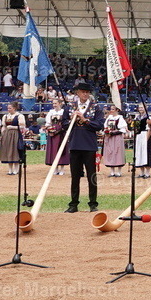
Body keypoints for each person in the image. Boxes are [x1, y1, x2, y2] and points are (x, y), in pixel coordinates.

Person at [65, 82, 104, 213]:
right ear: (78, 93)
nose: (85, 94)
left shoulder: (96, 108)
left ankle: (93, 204)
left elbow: (99, 125)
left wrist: (85, 119)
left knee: (91, 176)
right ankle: (73, 204)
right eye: (83, 92)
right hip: (75, 145)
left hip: (89, 145)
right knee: (75, 176)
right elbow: (63, 124)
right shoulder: (70, 107)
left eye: (87, 92)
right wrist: (71, 119)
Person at [44, 98, 70, 175]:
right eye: (53, 103)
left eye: (55, 103)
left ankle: (62, 169)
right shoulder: (51, 112)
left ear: (60, 104)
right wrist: (49, 129)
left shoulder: (63, 112)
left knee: (62, 150)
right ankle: (55, 168)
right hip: (53, 133)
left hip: (61, 132)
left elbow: (66, 122)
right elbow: (48, 123)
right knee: (53, 150)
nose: (54, 105)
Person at [0, 102, 24, 176]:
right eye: (8, 108)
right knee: (8, 150)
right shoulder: (5, 116)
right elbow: (3, 126)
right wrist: (2, 132)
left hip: (16, 134)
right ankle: (10, 169)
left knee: (15, 150)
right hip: (7, 135)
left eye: (10, 108)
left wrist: (13, 127)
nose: (8, 109)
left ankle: (16, 169)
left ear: (14, 108)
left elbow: (22, 126)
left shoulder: (19, 116)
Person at [102, 104, 128, 177]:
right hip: (109, 138)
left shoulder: (120, 118)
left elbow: (122, 129)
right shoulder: (109, 118)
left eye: (113, 109)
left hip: (117, 138)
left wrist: (113, 133)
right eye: (111, 109)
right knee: (110, 152)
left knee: (118, 153)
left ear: (117, 110)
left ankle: (119, 171)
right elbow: (105, 127)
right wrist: (107, 132)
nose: (111, 110)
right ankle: (112, 171)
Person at [132, 103, 151, 179]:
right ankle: (141, 172)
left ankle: (147, 173)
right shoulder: (137, 117)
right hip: (139, 136)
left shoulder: (148, 117)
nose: (140, 109)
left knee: (146, 154)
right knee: (140, 154)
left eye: (142, 107)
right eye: (139, 107)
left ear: (145, 108)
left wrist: (146, 139)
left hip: (145, 135)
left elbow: (150, 129)